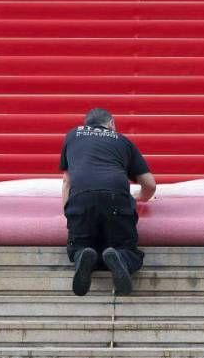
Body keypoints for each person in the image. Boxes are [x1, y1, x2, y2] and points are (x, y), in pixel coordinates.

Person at [60, 108, 156, 296]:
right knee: (126, 248)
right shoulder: (122, 141)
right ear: (111, 123)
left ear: (86, 124)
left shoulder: (72, 136)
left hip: (81, 198)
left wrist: (69, 211)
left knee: (79, 246)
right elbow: (150, 185)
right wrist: (139, 197)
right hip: (115, 198)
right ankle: (120, 256)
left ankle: (83, 255)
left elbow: (66, 181)